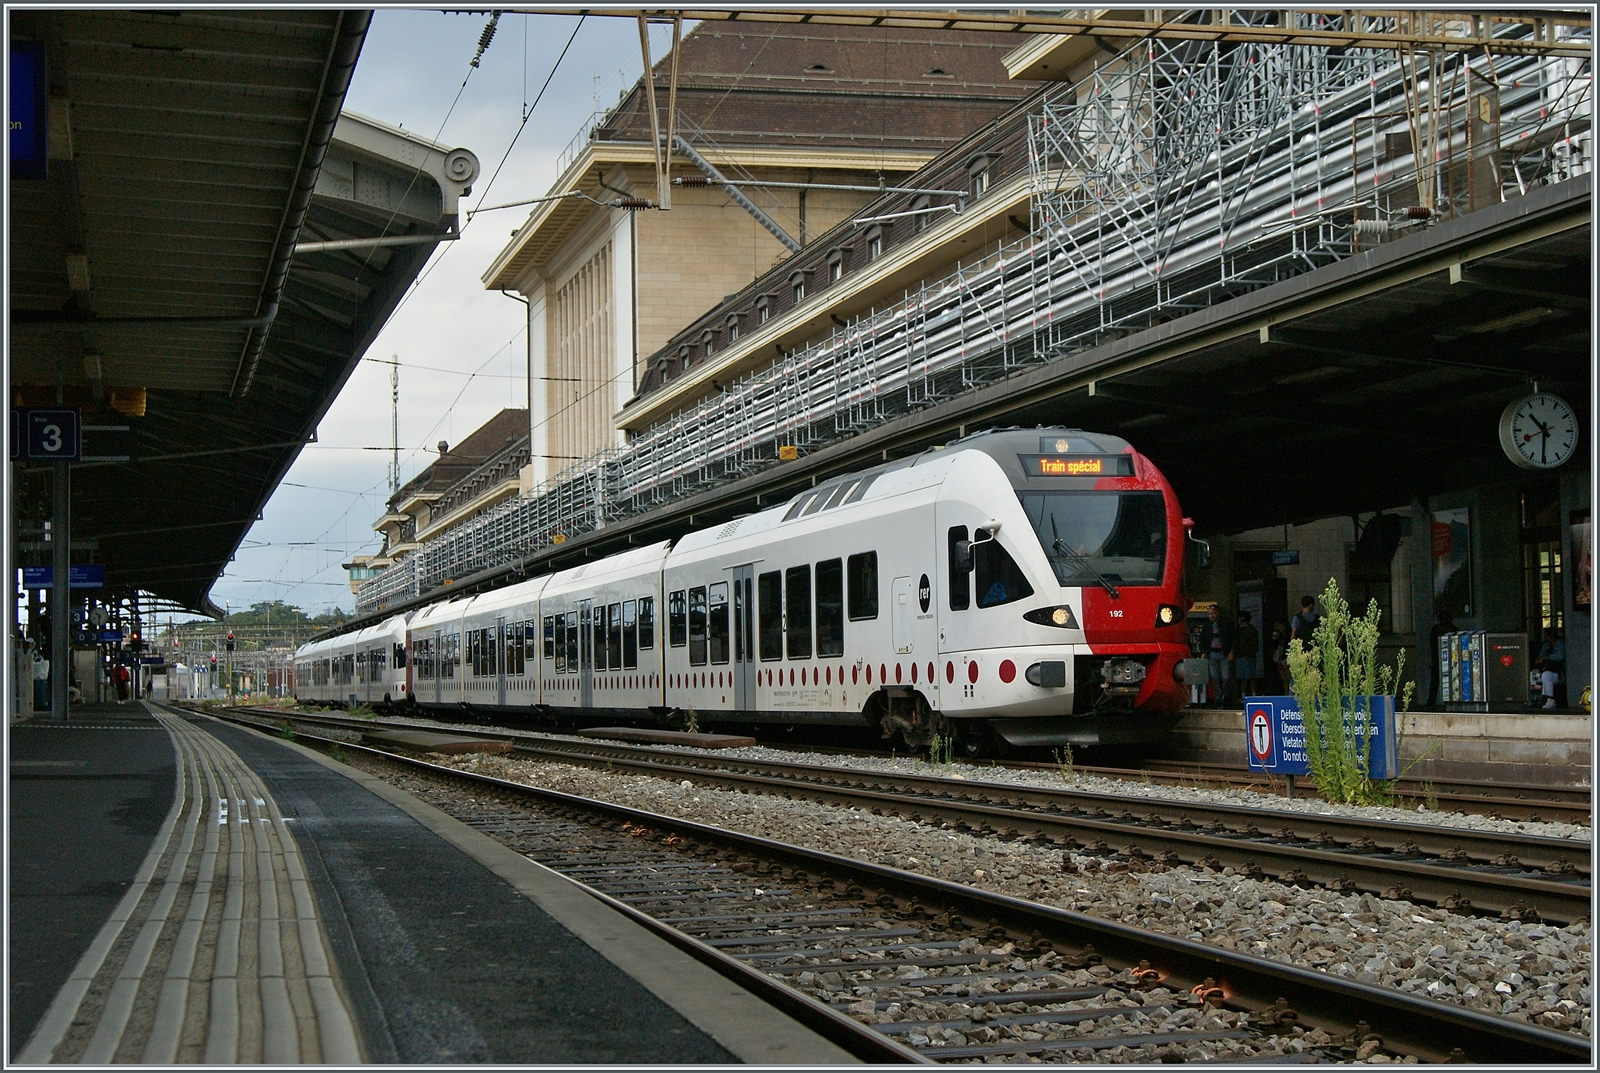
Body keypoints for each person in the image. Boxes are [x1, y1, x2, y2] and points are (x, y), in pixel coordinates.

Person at [1204, 605, 1235, 708]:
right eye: (1209, 614)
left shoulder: (1226, 624)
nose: (1211, 616)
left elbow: (1234, 638)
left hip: (1224, 653)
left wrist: (1232, 652)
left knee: (1226, 677)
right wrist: (1203, 652)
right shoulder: (1207, 625)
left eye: (1213, 613)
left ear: (1218, 613)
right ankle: (1218, 699)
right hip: (1212, 654)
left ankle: (1226, 697)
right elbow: (1202, 639)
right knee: (1215, 677)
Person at [1428, 607, 1456, 708]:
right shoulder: (1454, 629)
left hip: (1437, 658)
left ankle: (1430, 702)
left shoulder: (1436, 629)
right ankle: (1449, 702)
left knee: (1435, 681)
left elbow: (1432, 644)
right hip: (1450, 658)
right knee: (1450, 680)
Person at [1535, 627, 1565, 710]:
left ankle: (1550, 700)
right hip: (1543, 669)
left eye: (1546, 635)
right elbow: (1539, 658)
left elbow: (1560, 656)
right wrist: (1539, 660)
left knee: (1546, 675)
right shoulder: (1546, 645)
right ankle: (1536, 699)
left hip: (1557, 673)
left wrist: (1547, 657)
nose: (1545, 637)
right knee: (1534, 676)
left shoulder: (1560, 644)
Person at [1234, 611, 1260, 700]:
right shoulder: (1238, 631)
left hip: (1249, 657)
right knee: (1242, 678)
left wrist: (1248, 654)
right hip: (1241, 657)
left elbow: (1255, 645)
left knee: (1251, 677)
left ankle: (1253, 694)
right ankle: (1244, 695)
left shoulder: (1252, 630)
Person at [1268, 621, 1291, 694]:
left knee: (1289, 679)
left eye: (1280, 627)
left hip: (1287, 659)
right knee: (1284, 681)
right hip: (1280, 660)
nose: (1279, 629)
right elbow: (1273, 645)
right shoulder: (1278, 637)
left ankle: (1291, 695)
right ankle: (1286, 694)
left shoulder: (1289, 636)